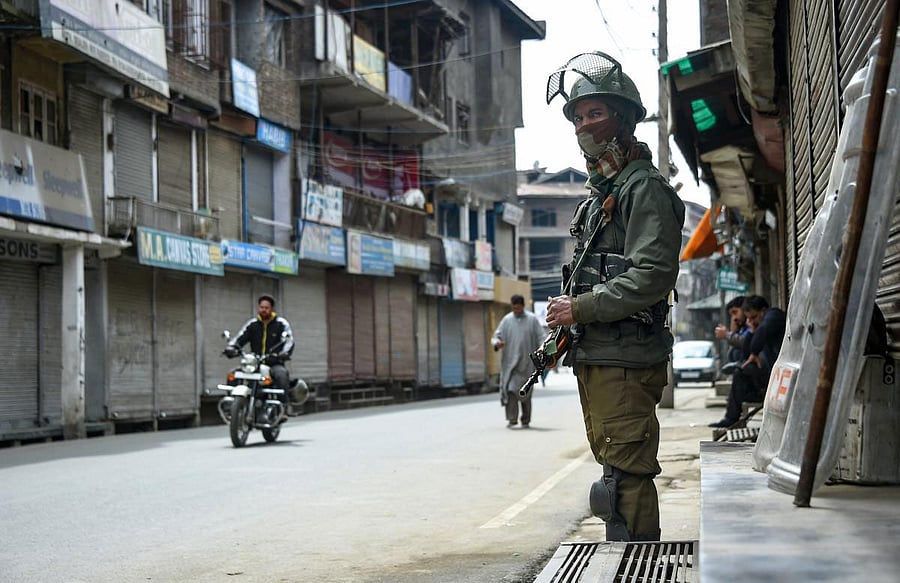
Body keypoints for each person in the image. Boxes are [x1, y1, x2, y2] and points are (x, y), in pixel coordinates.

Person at [543, 52, 685, 542]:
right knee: (613, 475)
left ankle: (637, 566)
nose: (586, 125)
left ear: (623, 118)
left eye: (596, 113)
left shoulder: (642, 189)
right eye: (579, 117)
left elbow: (652, 274)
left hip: (626, 356)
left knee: (625, 478)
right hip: (602, 354)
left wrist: (580, 307)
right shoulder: (602, 192)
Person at [709, 295, 786, 428]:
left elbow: (761, 333)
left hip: (780, 372)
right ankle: (731, 417)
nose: (752, 321)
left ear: (763, 311)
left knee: (742, 372)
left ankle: (732, 416)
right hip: (772, 372)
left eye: (754, 317)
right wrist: (751, 330)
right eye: (749, 318)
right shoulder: (758, 325)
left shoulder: (773, 315)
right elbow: (746, 352)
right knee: (740, 373)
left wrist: (755, 351)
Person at [224, 295, 299, 405]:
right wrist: (231, 348)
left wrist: (284, 353)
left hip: (274, 362)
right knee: (233, 375)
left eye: (266, 308)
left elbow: (289, 340)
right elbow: (239, 338)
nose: (263, 310)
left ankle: (283, 407)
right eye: (261, 307)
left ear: (272, 309)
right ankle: (232, 404)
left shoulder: (281, 324)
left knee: (281, 375)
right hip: (254, 364)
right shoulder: (252, 324)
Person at [491, 294, 545, 429]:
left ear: (523, 306)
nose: (516, 311)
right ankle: (512, 418)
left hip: (528, 365)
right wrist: (497, 343)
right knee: (510, 390)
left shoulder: (532, 320)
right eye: (514, 308)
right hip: (511, 365)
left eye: (519, 308)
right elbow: (496, 337)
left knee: (525, 392)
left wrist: (542, 350)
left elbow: (541, 337)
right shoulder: (507, 320)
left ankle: (525, 419)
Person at [715, 295, 750, 365]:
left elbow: (746, 342)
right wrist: (734, 332)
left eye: (735, 312)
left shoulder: (752, 326)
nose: (734, 318)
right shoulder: (742, 329)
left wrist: (727, 335)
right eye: (731, 315)